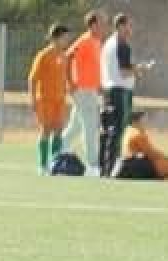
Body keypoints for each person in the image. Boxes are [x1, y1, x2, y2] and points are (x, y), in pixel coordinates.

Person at [99, 13, 150, 178]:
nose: (131, 29)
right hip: (120, 91)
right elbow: (123, 71)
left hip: (109, 90)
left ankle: (104, 168)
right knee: (117, 131)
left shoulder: (108, 43)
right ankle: (112, 168)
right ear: (120, 26)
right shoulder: (122, 44)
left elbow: (119, 67)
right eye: (128, 26)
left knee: (108, 131)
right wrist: (139, 70)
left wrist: (134, 68)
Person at [61, 10, 105, 175]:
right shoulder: (85, 40)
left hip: (91, 90)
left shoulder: (97, 41)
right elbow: (68, 56)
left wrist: (99, 85)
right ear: (93, 24)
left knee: (75, 128)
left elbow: (94, 67)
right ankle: (92, 166)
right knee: (91, 127)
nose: (104, 26)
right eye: (101, 22)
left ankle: (57, 152)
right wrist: (70, 82)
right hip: (82, 90)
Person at [29, 24, 72, 175]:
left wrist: (68, 88)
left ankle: (55, 164)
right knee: (46, 130)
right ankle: (43, 165)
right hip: (45, 99)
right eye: (65, 37)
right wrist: (33, 98)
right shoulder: (43, 55)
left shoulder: (64, 55)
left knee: (59, 130)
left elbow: (64, 77)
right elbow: (33, 79)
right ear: (56, 38)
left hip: (60, 100)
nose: (67, 40)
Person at [115, 111, 168, 180]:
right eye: (144, 119)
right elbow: (151, 153)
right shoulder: (137, 133)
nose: (146, 121)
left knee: (163, 164)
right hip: (132, 165)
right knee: (165, 165)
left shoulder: (130, 130)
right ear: (135, 121)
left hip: (127, 165)